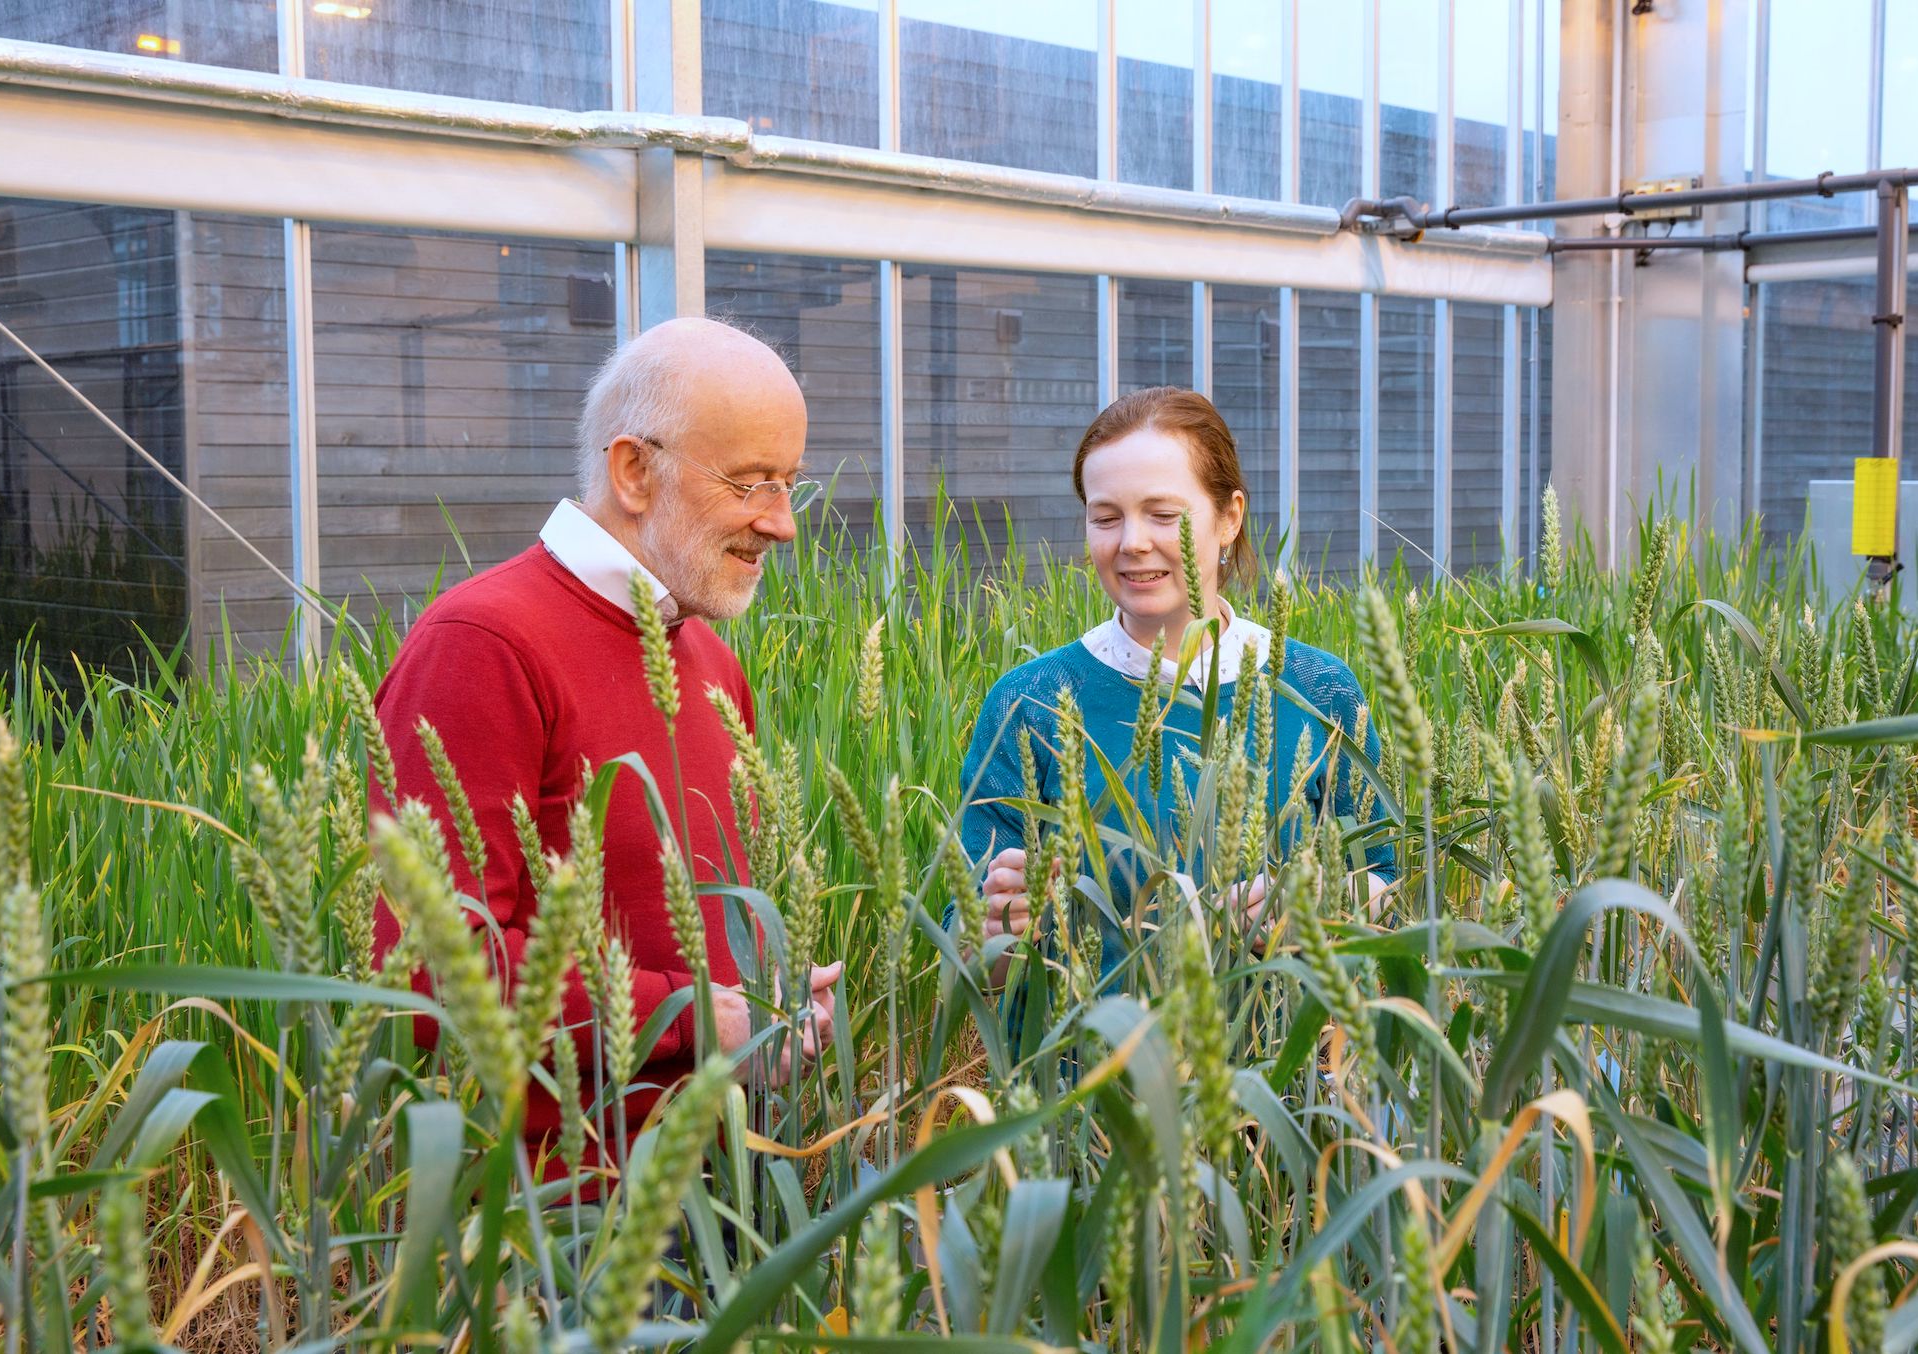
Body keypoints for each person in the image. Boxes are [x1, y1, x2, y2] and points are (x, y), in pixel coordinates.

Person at [371, 317, 841, 1159]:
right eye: (751, 484)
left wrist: (769, 1004)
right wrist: (695, 1014)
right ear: (633, 470)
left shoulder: (706, 661)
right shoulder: (483, 645)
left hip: (728, 1188)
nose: (783, 524)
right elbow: (427, 973)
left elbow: (692, 924)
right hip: (556, 1229)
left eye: (790, 485)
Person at [957, 386, 1396, 986]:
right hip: (1088, 1070)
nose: (1132, 541)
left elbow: (1388, 878)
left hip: (1285, 1069)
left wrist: (1329, 902)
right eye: (1105, 517)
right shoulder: (1030, 702)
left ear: (1229, 517)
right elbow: (972, 961)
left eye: (1163, 515)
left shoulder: (1316, 688)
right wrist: (997, 930)